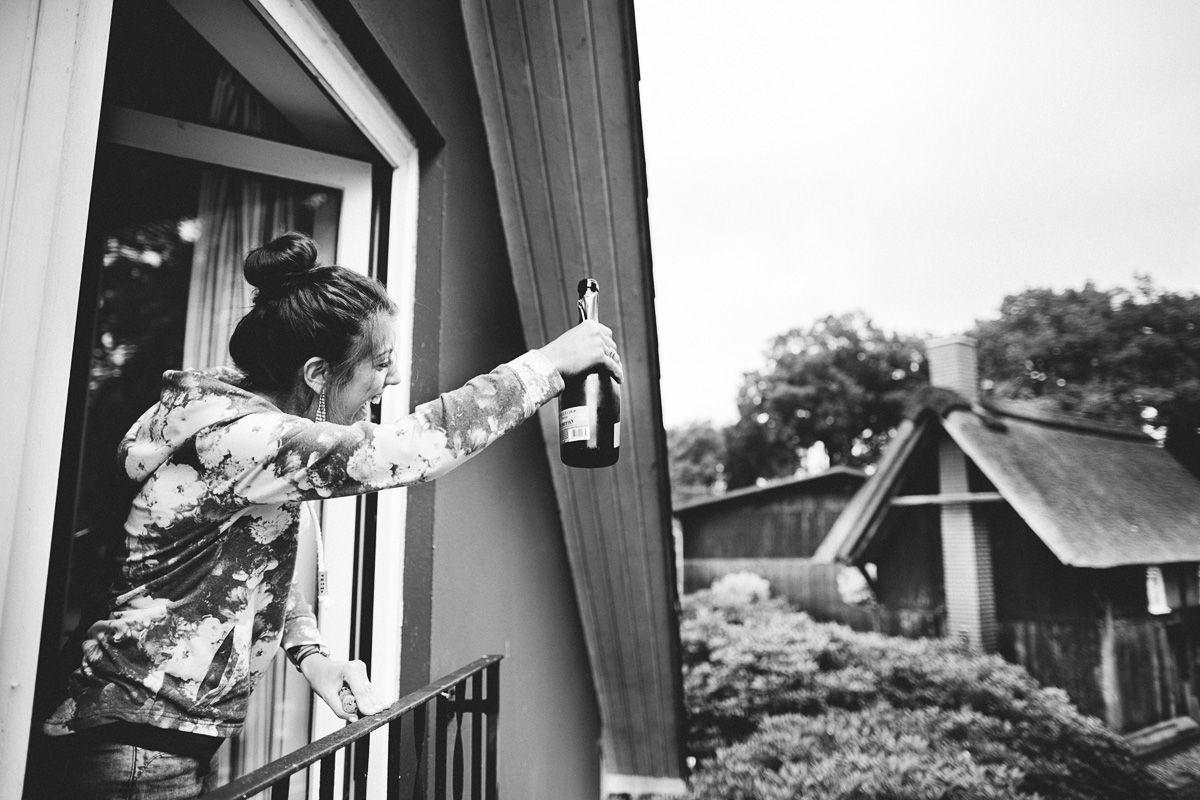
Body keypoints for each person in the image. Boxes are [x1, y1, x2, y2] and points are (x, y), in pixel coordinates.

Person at [39, 232, 623, 798]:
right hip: (136, 747)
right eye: (380, 362)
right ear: (318, 373)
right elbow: (404, 452)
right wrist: (548, 366)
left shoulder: (247, 431)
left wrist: (312, 658)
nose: (391, 377)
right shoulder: (238, 436)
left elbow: (240, 562)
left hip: (155, 738)